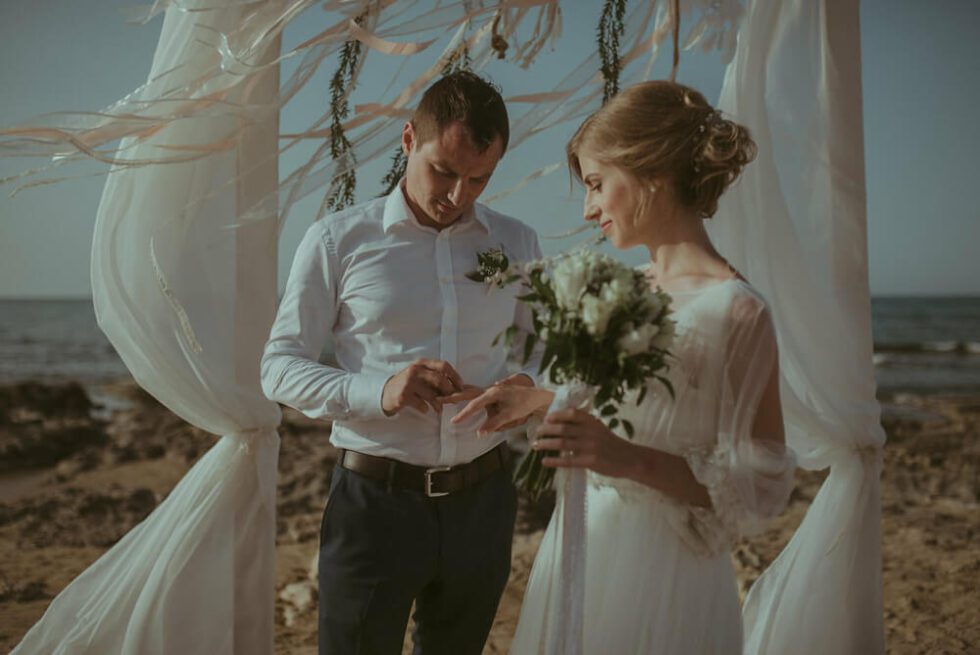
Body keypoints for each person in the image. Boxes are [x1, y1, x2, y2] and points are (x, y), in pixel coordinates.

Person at [451, 80, 798, 653]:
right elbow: (621, 412)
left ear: (652, 172)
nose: (588, 208)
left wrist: (623, 457)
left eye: (595, 184)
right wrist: (535, 402)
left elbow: (762, 483)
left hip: (665, 570)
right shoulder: (622, 289)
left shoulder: (735, 310)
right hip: (581, 542)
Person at [260, 71, 542, 655]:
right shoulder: (337, 240)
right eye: (444, 170)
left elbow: (542, 349)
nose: (459, 194)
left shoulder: (517, 242)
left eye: (479, 178)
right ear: (409, 139)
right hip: (374, 506)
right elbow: (280, 367)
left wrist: (527, 385)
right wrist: (379, 390)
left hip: (483, 503)